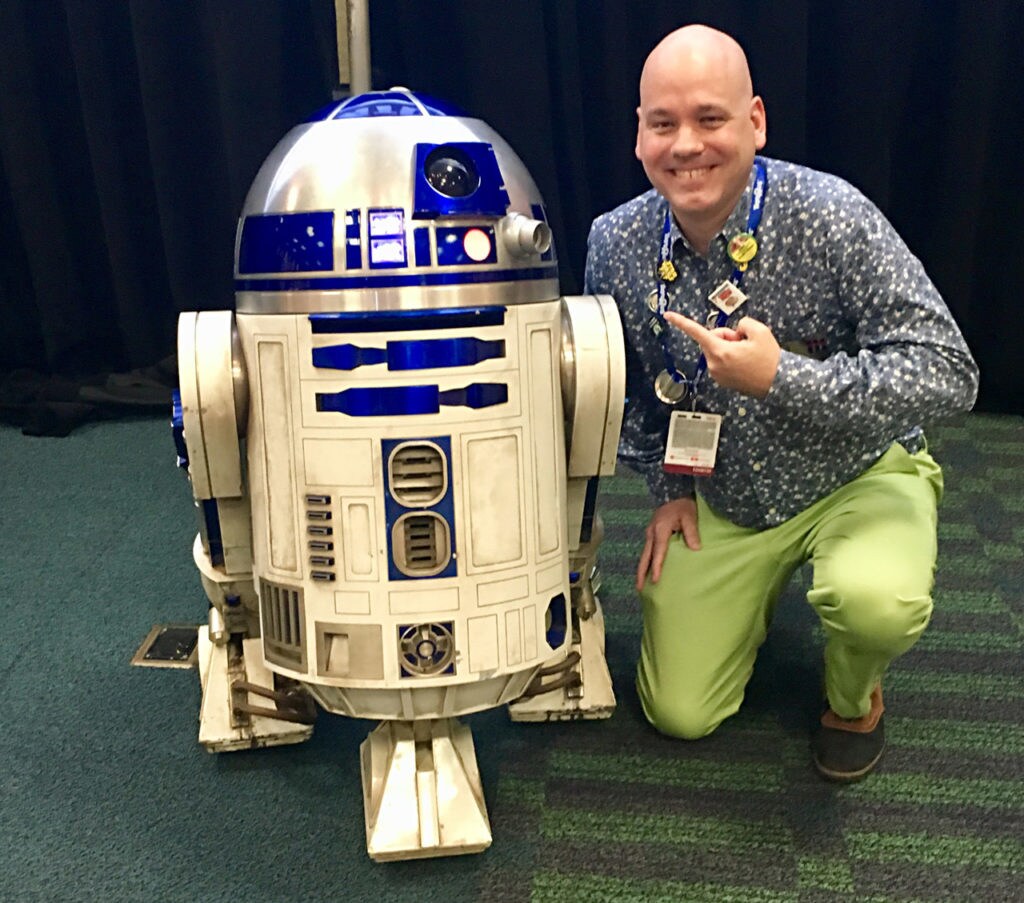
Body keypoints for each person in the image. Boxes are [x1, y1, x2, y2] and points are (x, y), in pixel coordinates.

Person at [584, 24, 979, 781]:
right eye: (663, 123)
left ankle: (852, 694)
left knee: (874, 602)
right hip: (725, 494)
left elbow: (949, 371)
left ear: (755, 122)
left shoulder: (833, 216)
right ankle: (749, 602)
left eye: (710, 118)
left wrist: (781, 378)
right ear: (639, 134)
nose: (686, 144)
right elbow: (629, 392)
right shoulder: (617, 242)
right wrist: (670, 489)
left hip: (856, 474)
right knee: (680, 714)